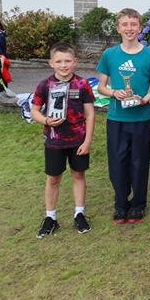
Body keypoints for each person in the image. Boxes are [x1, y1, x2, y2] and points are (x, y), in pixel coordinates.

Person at [97, 8, 150, 224]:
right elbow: (101, 87)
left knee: (139, 162)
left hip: (140, 117)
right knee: (118, 161)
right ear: (118, 28)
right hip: (116, 118)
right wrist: (115, 92)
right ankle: (120, 203)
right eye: (125, 24)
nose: (129, 28)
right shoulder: (110, 55)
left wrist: (146, 99)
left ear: (140, 28)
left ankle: (138, 204)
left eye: (133, 24)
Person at [30, 42, 95, 237]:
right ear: (51, 63)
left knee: (78, 175)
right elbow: (34, 111)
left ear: (75, 62)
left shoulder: (82, 84)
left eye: (67, 61)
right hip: (54, 141)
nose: (63, 65)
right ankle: (51, 217)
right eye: (59, 61)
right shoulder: (44, 85)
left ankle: (79, 214)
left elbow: (90, 114)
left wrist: (87, 141)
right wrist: (47, 120)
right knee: (53, 179)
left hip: (78, 141)